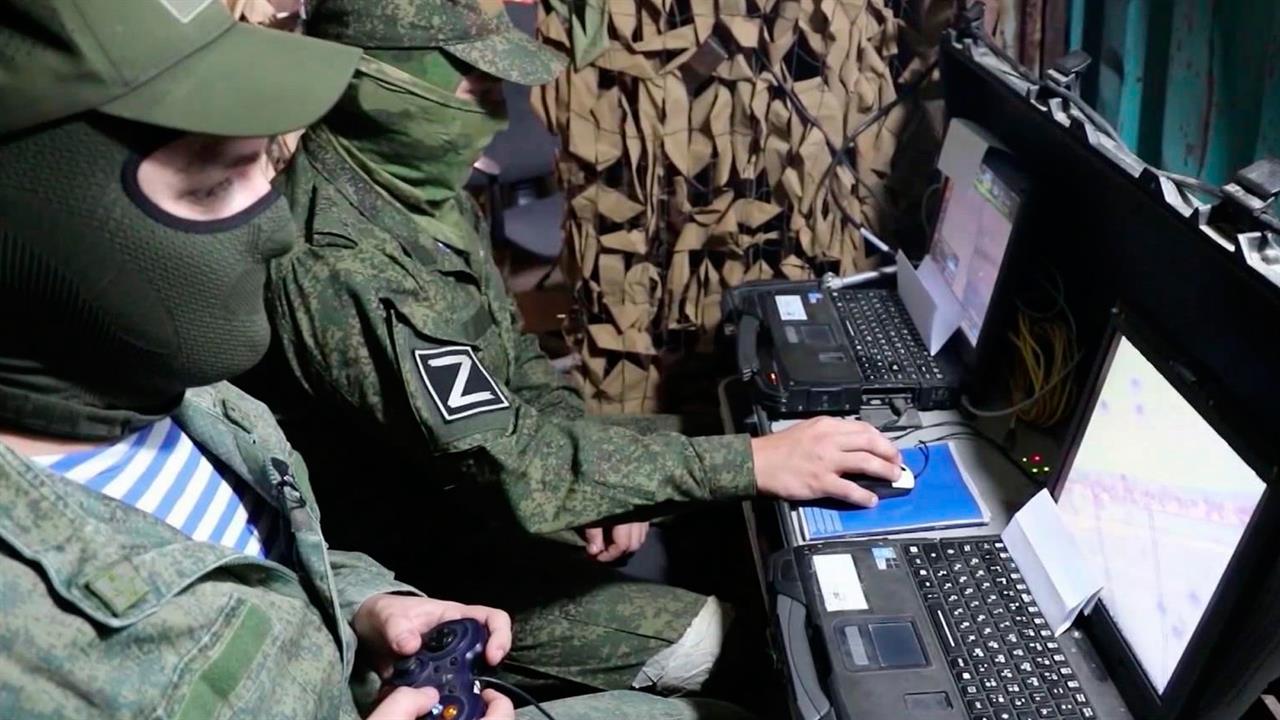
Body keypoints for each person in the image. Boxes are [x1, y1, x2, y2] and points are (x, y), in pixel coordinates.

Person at [0, 2, 756, 718]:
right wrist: (749, 462)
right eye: (209, 185)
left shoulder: (196, 405)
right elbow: (510, 464)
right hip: (455, 549)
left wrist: (367, 605)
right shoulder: (21, 632)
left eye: (260, 166)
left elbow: (273, 556)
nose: (275, 229)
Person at [246, 0, 904, 697]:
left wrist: (600, 489)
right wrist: (749, 463)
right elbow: (514, 464)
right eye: (478, 88)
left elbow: (515, 363)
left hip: (498, 501)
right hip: (439, 575)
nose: (499, 118)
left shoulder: (416, 192)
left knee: (738, 463)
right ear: (388, 82)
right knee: (773, 647)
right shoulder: (344, 266)